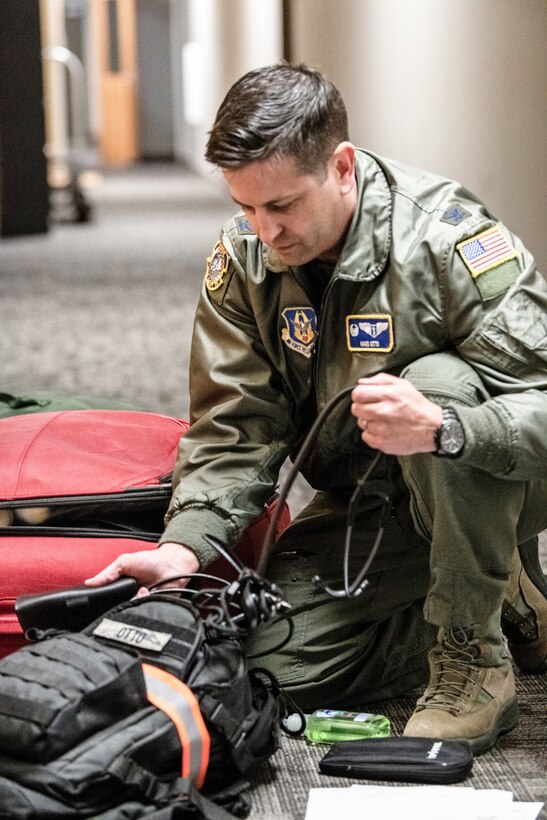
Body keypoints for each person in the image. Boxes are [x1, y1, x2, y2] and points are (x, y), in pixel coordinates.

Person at [86, 63, 547, 755]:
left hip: (490, 477)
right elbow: (235, 424)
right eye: (245, 207)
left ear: (340, 166)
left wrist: (449, 429)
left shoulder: (447, 245)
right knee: (269, 667)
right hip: (368, 503)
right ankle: (497, 591)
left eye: (282, 206)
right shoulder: (245, 258)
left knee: (437, 382)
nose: (263, 230)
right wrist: (184, 546)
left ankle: (472, 657)